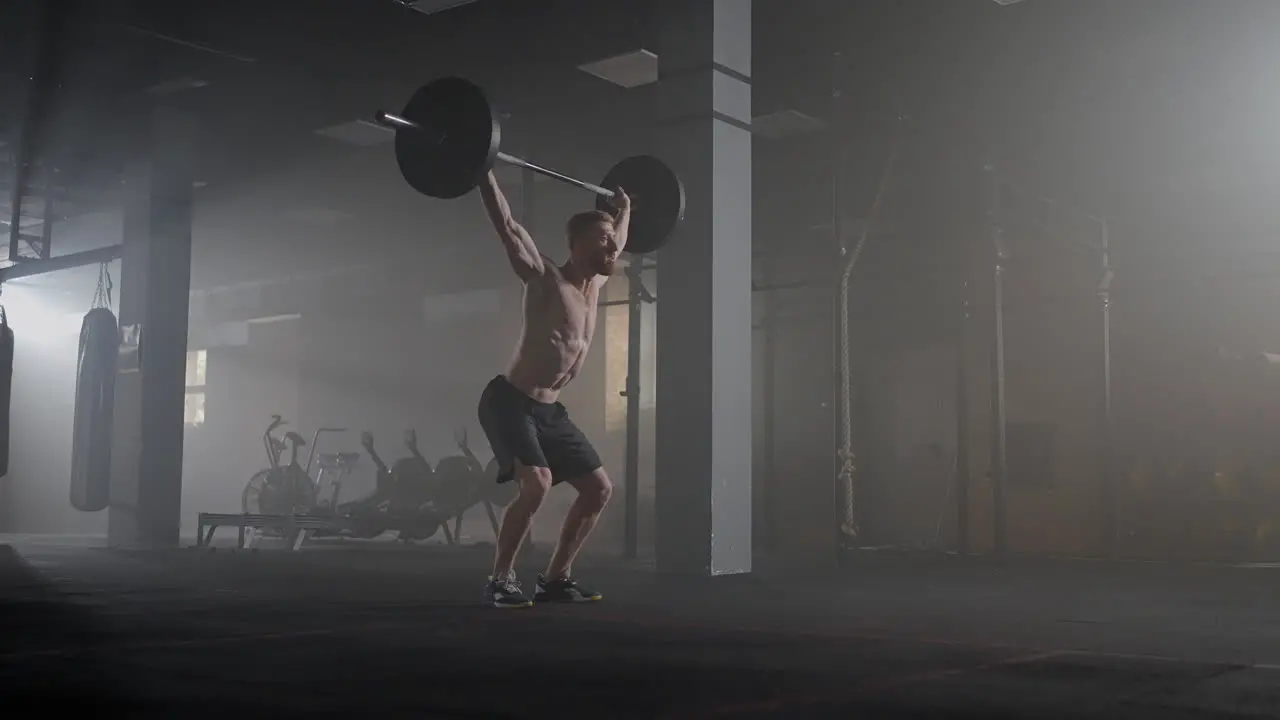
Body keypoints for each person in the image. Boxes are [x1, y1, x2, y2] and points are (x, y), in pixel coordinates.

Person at [476, 169, 630, 608]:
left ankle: (555, 579)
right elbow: (506, 226)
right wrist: (482, 171)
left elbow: (622, 235)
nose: (613, 245)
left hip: (549, 411)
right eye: (603, 238)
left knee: (599, 489)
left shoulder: (596, 286)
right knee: (538, 485)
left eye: (613, 239)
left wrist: (627, 211)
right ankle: (500, 580)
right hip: (510, 402)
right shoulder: (544, 277)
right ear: (577, 243)